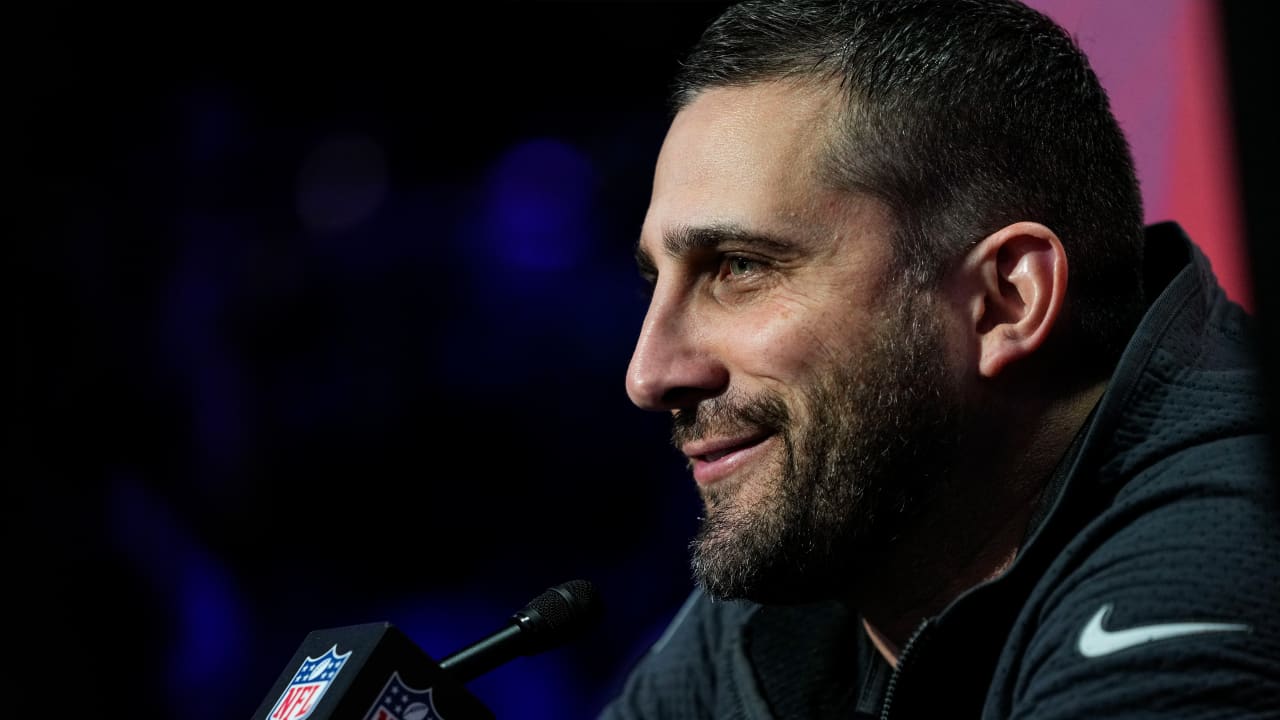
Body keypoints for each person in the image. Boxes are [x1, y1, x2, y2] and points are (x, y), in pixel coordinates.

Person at [597, 0, 1280, 718]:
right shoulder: (824, 545)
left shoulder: (1219, 546)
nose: (649, 375)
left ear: (1005, 300)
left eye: (739, 267)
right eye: (655, 281)